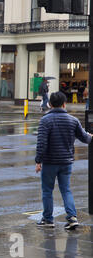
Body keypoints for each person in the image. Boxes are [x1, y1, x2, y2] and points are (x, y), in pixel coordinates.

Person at [35, 92, 92, 230]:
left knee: (47, 190)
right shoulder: (73, 120)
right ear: (64, 104)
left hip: (50, 162)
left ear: (50, 104)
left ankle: (48, 219)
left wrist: (38, 161)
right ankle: (72, 217)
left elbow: (42, 143)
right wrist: (90, 136)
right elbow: (85, 138)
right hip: (66, 161)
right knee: (66, 190)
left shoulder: (45, 120)